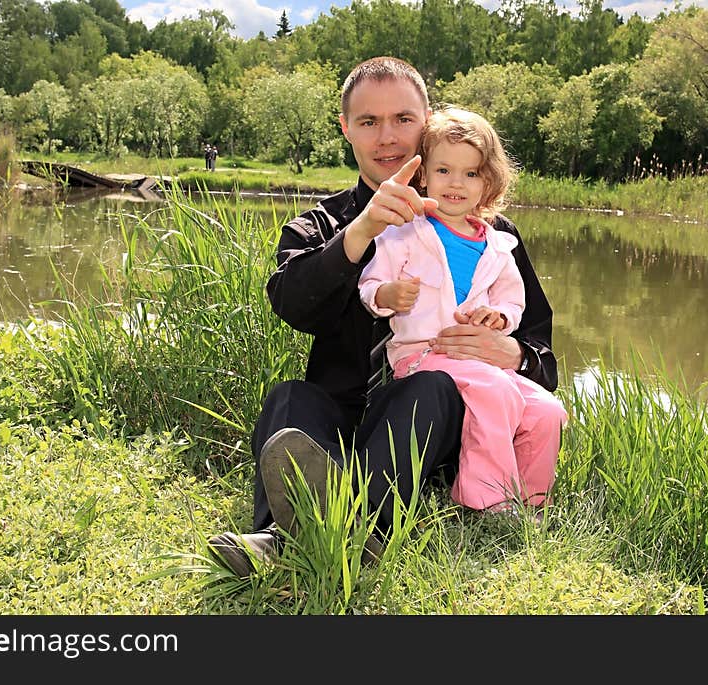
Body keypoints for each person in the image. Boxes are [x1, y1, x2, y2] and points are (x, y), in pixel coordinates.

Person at [208, 57, 559, 578]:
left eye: (403, 119)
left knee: (434, 385)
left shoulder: (487, 233)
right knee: (290, 397)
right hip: (342, 415)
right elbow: (293, 303)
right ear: (346, 128)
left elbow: (544, 358)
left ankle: (304, 539)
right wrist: (361, 231)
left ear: (428, 120)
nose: (388, 138)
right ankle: (312, 535)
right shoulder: (320, 225)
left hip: (429, 426)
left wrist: (513, 353)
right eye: (369, 122)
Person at [358, 107, 567, 514]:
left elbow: (513, 301)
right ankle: (486, 500)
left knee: (547, 409)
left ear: (488, 181)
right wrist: (388, 295)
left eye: (470, 174)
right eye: (444, 171)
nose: (456, 183)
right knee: (496, 391)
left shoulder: (498, 245)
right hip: (423, 356)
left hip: (481, 361)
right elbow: (369, 286)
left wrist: (499, 319)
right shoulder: (405, 232)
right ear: (422, 175)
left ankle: (532, 503)